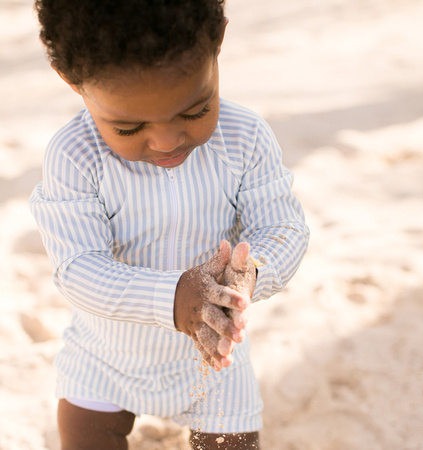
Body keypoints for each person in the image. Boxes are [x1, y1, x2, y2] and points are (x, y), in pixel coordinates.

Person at [29, 0, 310, 448]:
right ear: (73, 81)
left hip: (216, 358)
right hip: (104, 359)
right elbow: (78, 267)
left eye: (195, 111)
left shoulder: (244, 137)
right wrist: (174, 296)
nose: (166, 141)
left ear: (217, 44)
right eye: (128, 126)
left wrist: (248, 271)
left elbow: (284, 226)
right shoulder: (75, 155)